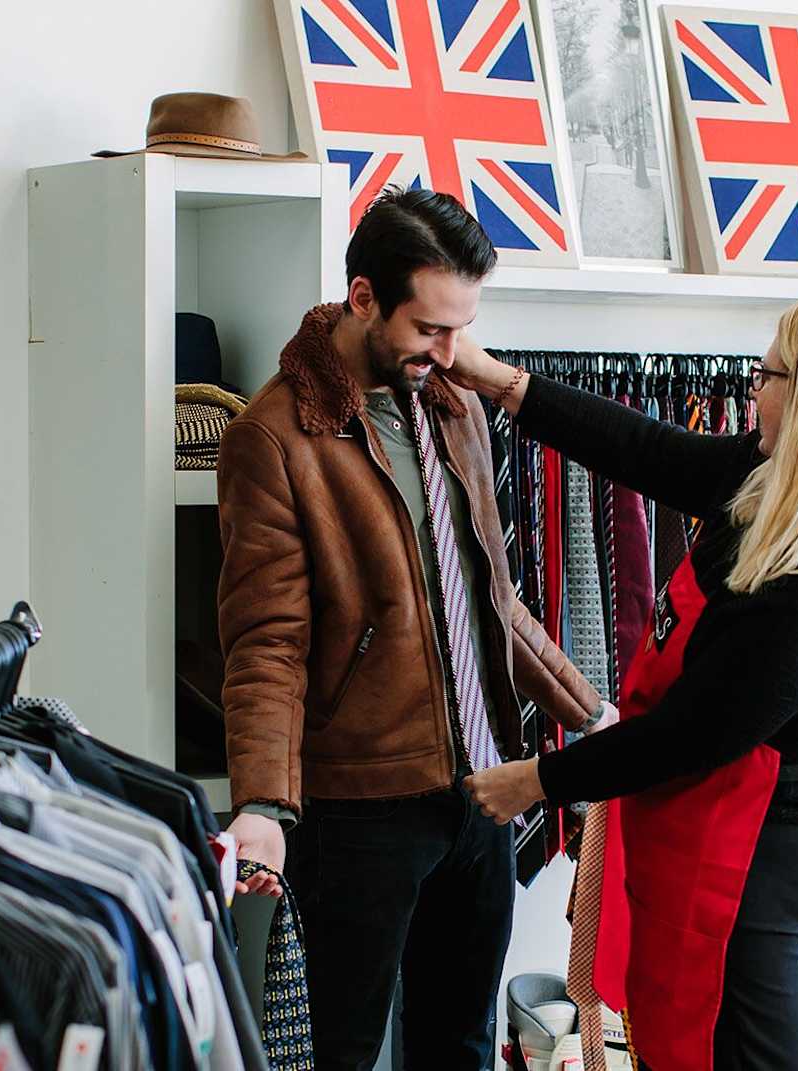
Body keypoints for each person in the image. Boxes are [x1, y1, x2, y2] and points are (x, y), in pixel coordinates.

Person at [455, 297, 798, 1070]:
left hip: (762, 847)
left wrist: (538, 780)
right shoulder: (776, 484)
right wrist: (503, 382)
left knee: (736, 1038)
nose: (753, 391)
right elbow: (651, 451)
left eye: (767, 374)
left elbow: (688, 734)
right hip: (739, 825)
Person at [213, 186, 607, 1070]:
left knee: (460, 1044)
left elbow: (492, 599)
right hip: (363, 806)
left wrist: (590, 713)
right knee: (344, 1049)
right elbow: (266, 639)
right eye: (430, 327)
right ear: (363, 298)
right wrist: (266, 803)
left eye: (462, 325)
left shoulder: (455, 404)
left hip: (483, 790)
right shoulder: (273, 438)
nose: (451, 349)